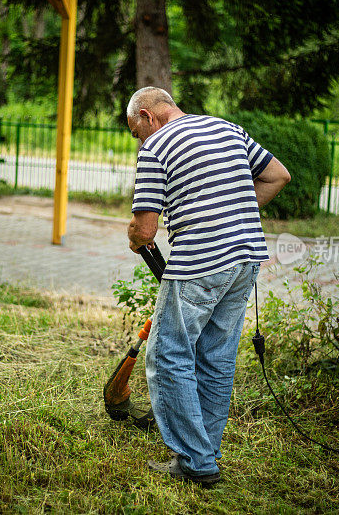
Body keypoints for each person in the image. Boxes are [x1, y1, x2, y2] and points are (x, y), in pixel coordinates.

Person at [126, 87, 291, 486]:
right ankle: (207, 453)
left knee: (167, 354)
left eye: (136, 131)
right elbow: (277, 175)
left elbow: (145, 229)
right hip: (246, 257)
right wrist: (234, 208)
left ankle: (195, 461)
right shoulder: (227, 128)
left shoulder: (157, 146)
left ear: (148, 116)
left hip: (201, 261)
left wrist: (135, 236)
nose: (139, 139)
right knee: (215, 358)